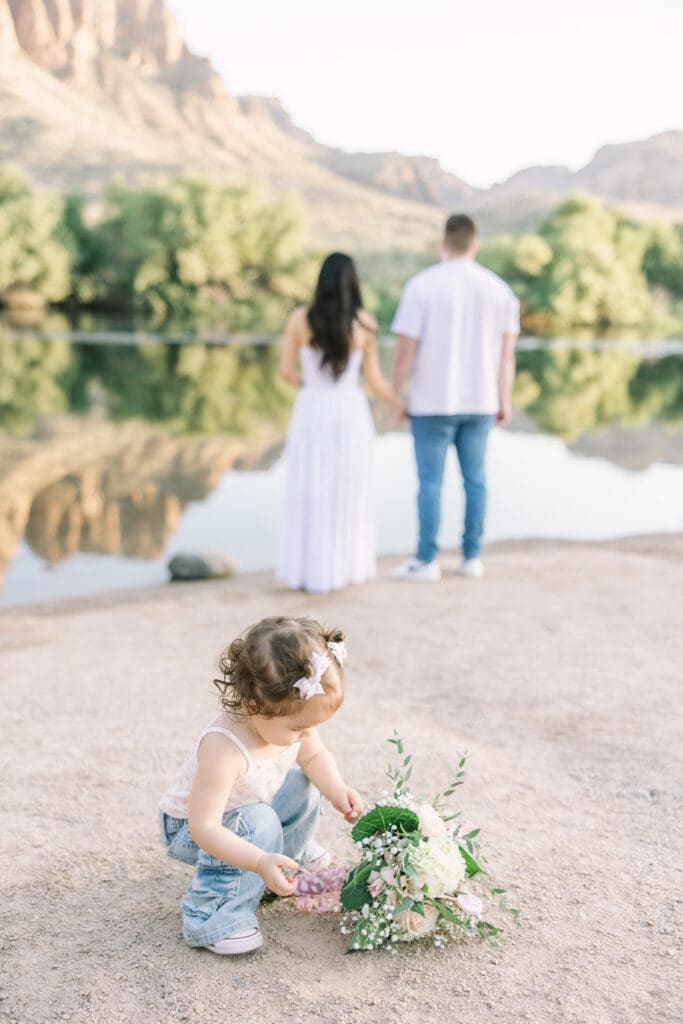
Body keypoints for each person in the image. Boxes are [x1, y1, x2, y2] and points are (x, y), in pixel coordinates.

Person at [159, 616, 361, 955]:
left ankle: (287, 856)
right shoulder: (224, 749)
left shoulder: (287, 719)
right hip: (193, 829)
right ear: (253, 705)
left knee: (303, 784)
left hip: (250, 810)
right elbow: (204, 828)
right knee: (259, 821)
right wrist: (257, 860)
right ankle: (214, 915)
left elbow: (314, 756)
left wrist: (338, 790)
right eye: (297, 729)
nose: (304, 735)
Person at [390, 214, 520, 581]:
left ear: (443, 243)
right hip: (481, 402)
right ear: (475, 245)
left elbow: (404, 353)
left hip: (430, 403)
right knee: (475, 480)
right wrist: (504, 399)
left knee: (430, 482)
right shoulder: (500, 290)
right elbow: (506, 356)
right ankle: (471, 557)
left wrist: (395, 397)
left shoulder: (421, 286)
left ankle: (426, 559)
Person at [277, 252, 404, 593]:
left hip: (311, 410)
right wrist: (400, 405)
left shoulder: (299, 319)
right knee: (347, 488)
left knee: (310, 488)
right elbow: (374, 381)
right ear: (353, 283)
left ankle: (308, 571)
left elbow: (286, 371)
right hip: (349, 412)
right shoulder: (365, 324)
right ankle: (342, 567)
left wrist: (308, 385)